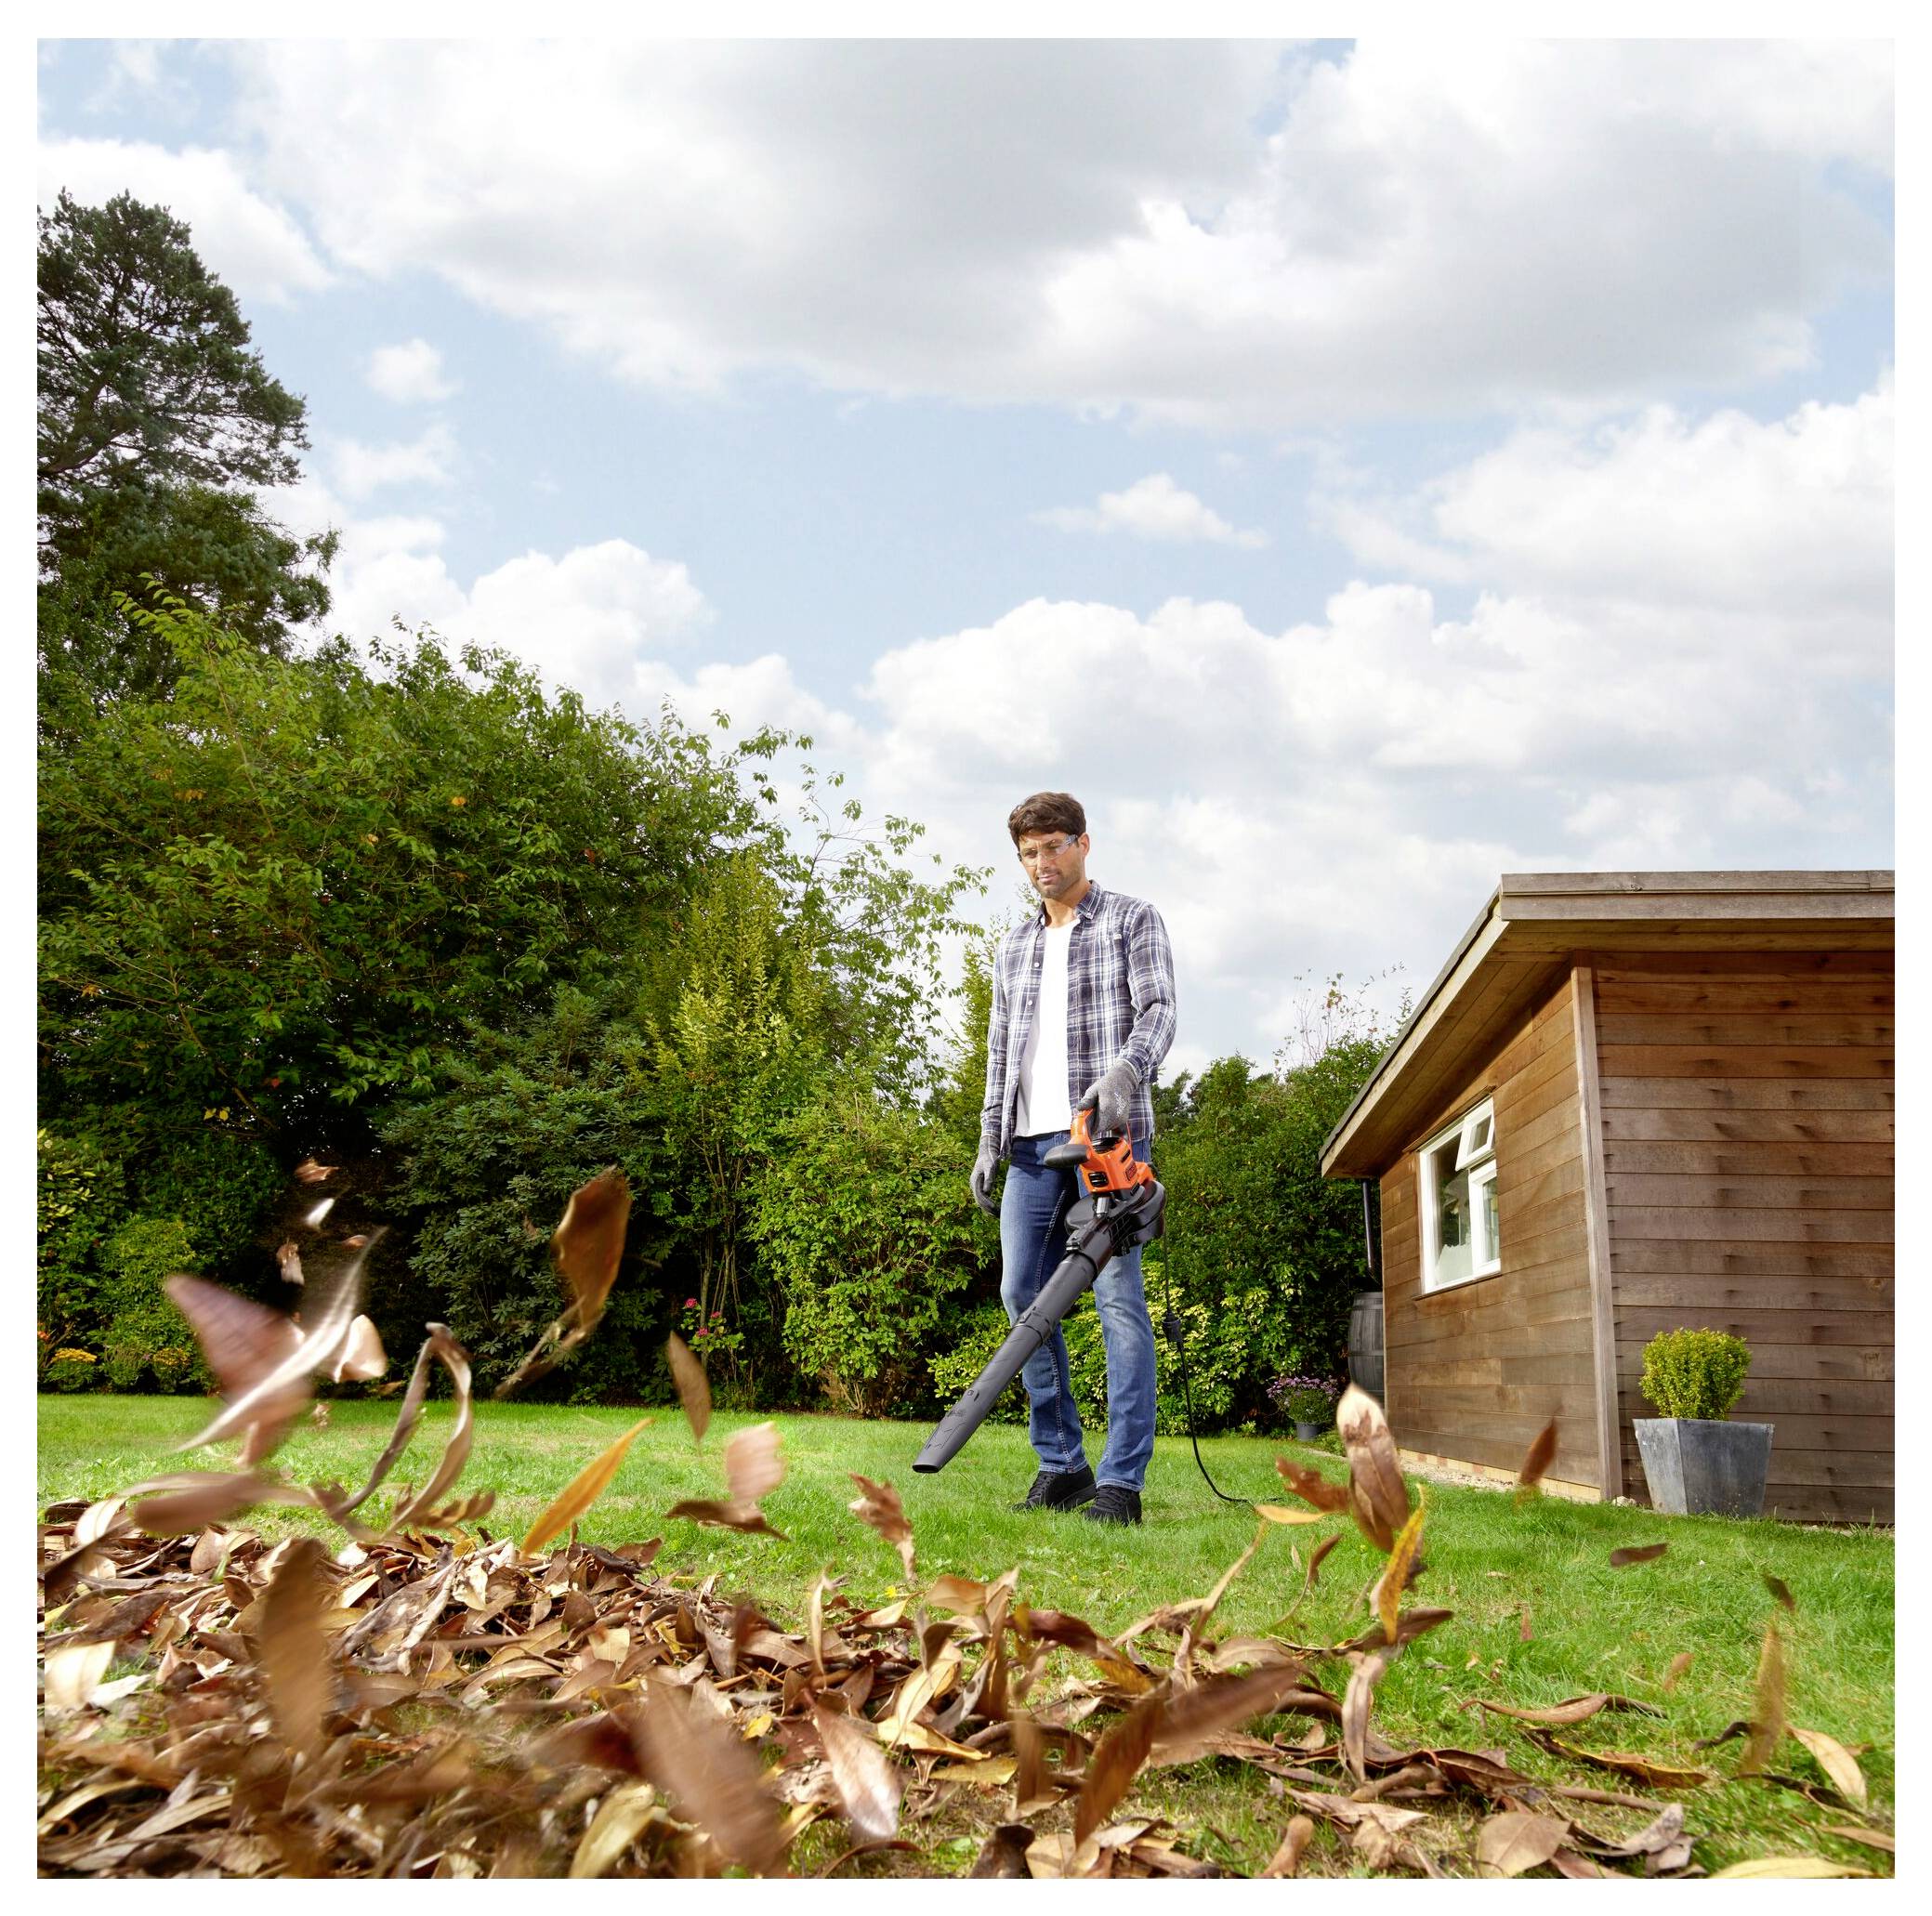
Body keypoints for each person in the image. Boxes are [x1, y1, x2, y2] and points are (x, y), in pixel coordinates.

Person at [971, 792, 1176, 1526]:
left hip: (1103, 1141)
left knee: (1118, 1302)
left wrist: (1127, 1072)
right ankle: (1062, 1467)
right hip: (1029, 1147)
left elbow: (1158, 1009)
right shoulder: (1013, 946)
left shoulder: (1131, 919)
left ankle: (1121, 1482)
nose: (1041, 863)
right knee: (1020, 1296)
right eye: (1028, 853)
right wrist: (990, 1137)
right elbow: (1002, 1051)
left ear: (1083, 844)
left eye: (1053, 847)